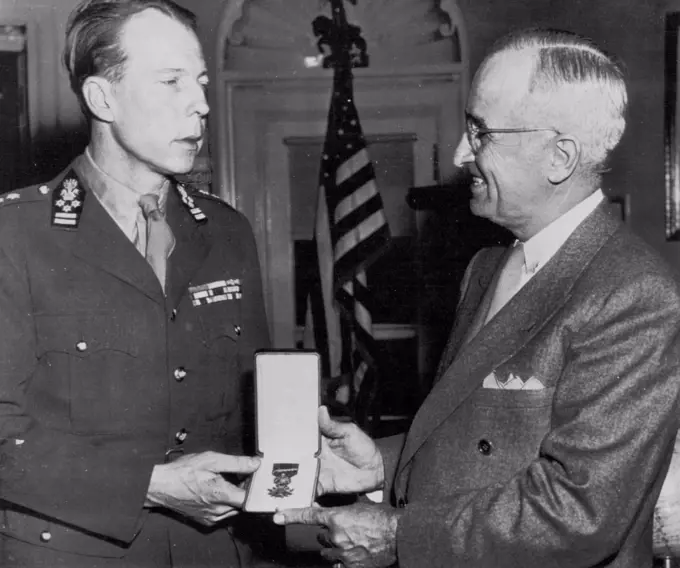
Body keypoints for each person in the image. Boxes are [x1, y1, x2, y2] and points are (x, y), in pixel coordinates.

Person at [273, 28, 680, 568]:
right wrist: (382, 467)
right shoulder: (487, 268)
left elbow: (579, 513)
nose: (463, 154)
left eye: (481, 133)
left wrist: (400, 536)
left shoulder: (633, 294)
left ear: (558, 157)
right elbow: (470, 437)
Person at [0, 1, 271, 566]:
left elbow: (255, 413)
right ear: (103, 98)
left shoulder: (227, 232)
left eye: (199, 82)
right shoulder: (15, 235)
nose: (199, 104)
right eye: (170, 82)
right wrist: (146, 483)